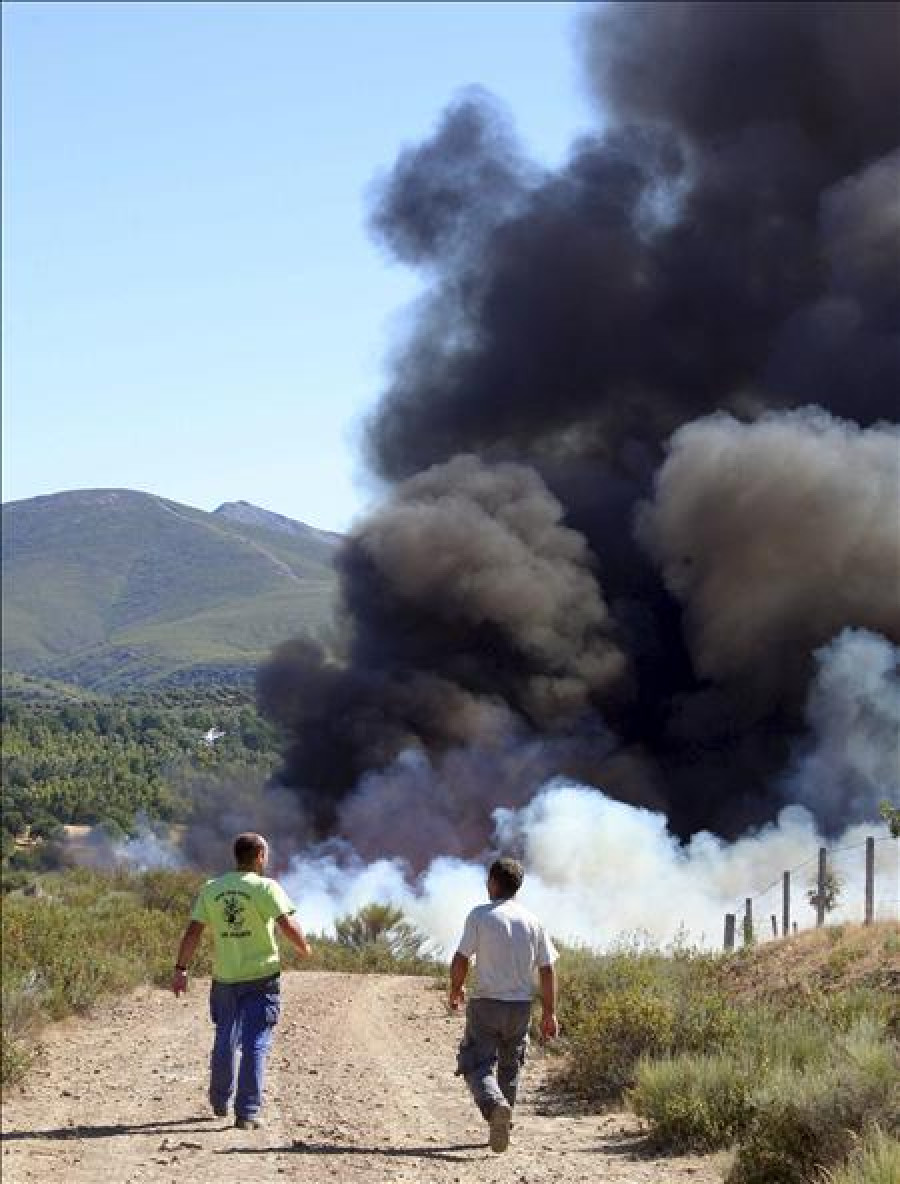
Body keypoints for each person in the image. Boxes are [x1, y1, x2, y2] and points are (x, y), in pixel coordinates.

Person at [172, 831, 311, 1129]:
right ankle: (247, 1112)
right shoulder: (266, 888)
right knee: (255, 1043)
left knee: (224, 1038)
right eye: (266, 854)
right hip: (262, 977)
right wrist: (304, 947)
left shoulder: (212, 889)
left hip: (225, 977)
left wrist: (181, 969)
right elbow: (286, 923)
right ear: (260, 856)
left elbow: (193, 932)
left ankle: (220, 1100)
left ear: (236, 856)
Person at [449, 857, 559, 1154]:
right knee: (510, 1068)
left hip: (486, 1004)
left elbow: (461, 959)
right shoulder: (533, 921)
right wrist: (549, 1012)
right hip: (520, 1007)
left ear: (494, 883)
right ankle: (503, 1124)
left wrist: (456, 990)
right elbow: (547, 970)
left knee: (476, 1062)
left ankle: (495, 1107)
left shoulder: (480, 916)